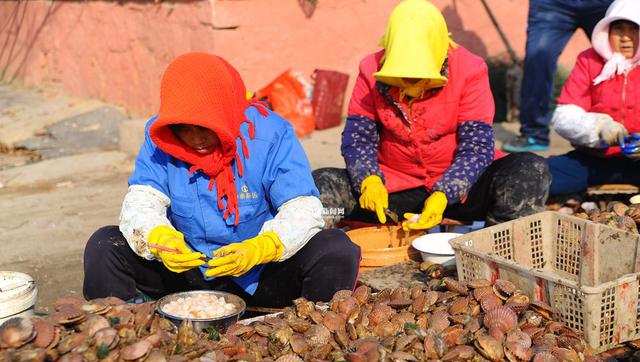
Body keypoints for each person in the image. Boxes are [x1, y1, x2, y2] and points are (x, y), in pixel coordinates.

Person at [83, 53, 360, 308]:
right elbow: (141, 200)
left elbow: (303, 207)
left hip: (261, 275)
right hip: (188, 274)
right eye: (184, 129)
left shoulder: (270, 133)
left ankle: (310, 332)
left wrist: (264, 246)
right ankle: (125, 332)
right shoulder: (160, 137)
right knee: (104, 246)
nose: (195, 139)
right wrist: (158, 238)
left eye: (205, 127)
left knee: (335, 249)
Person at [313, 0, 551, 231]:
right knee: (321, 186)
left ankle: (497, 250)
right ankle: (323, 253)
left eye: (419, 78)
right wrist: (369, 180)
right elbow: (358, 138)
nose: (411, 84)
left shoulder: (470, 69)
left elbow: (477, 146)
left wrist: (444, 193)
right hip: (393, 192)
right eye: (404, 78)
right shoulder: (370, 69)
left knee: (530, 169)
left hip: (462, 191)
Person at [548, 0, 640, 195]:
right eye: (619, 29)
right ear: (607, 32)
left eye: (633, 29)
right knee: (536, 177)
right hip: (593, 160)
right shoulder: (588, 60)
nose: (625, 38)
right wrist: (598, 128)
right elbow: (564, 115)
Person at [502, 0, 613, 152]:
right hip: (552, 4)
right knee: (537, 60)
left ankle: (626, 133)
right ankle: (534, 133)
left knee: (620, 56)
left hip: (603, 4)